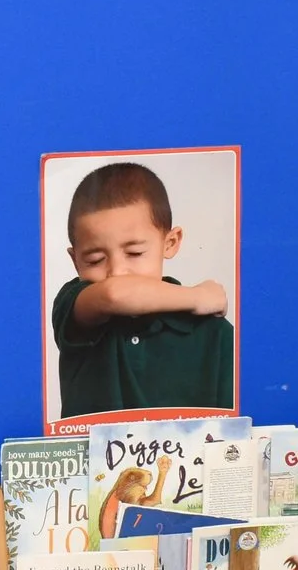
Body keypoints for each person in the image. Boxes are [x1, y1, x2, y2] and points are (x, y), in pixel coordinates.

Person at [51, 161, 233, 419]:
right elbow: (114, 294)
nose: (117, 271)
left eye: (134, 253)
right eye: (95, 260)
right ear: (75, 260)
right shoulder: (74, 305)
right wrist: (198, 296)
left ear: (170, 243)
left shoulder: (214, 334)